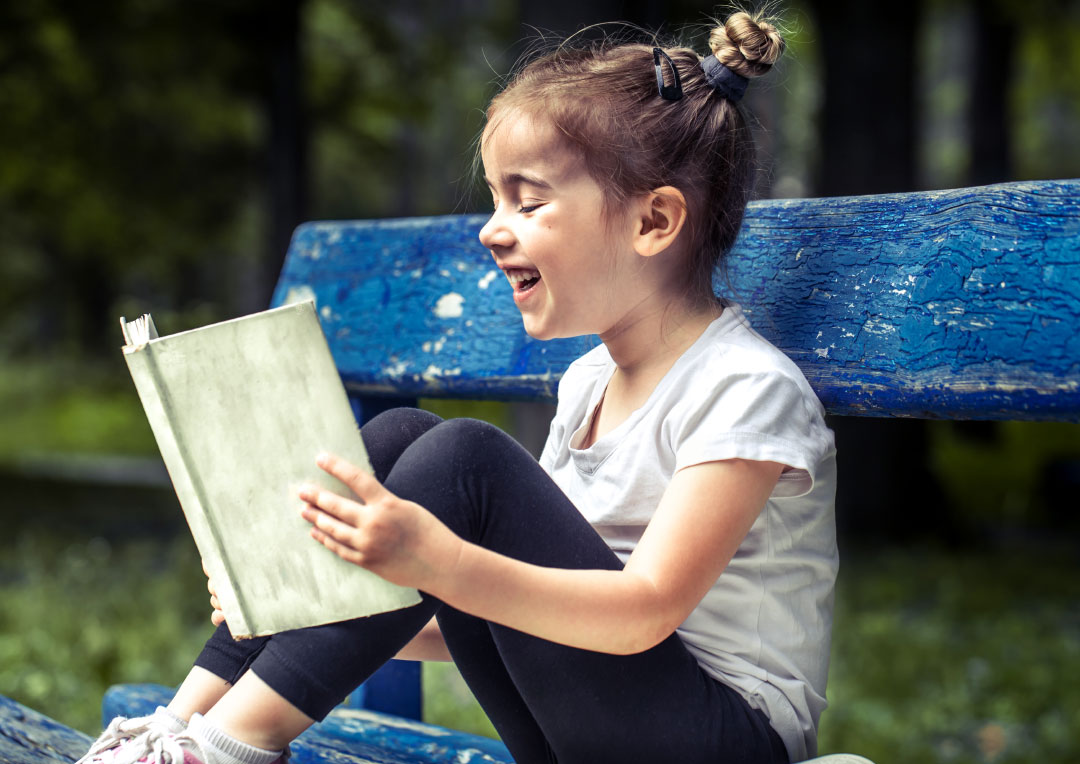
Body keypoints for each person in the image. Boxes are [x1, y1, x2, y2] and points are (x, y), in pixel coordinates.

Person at [78, 9, 837, 764]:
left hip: (722, 741)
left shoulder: (744, 388)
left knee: (460, 461)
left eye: (529, 200)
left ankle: (228, 746)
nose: (492, 227)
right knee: (401, 437)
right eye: (497, 200)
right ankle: (181, 724)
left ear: (654, 221)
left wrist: (440, 563)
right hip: (586, 727)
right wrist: (297, 610)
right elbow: (510, 616)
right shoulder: (589, 385)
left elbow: (641, 614)